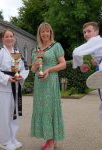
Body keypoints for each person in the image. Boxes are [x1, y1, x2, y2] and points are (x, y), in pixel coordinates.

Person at [72, 21, 102, 150]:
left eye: (89, 31)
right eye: (84, 32)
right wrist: (95, 62)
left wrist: (80, 64)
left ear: (96, 32)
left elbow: (76, 52)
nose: (86, 34)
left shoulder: (96, 41)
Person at [0, 28, 29, 150]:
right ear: (2, 39)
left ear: (14, 38)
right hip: (3, 88)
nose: (9, 38)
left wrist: (21, 76)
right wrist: (7, 78)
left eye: (11, 36)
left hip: (15, 87)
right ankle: (5, 141)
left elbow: (25, 67)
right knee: (4, 114)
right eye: (6, 36)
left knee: (14, 114)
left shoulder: (17, 52)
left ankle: (13, 138)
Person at [31, 22, 66, 150]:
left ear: (50, 32)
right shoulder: (36, 49)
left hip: (50, 81)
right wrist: (34, 66)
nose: (45, 33)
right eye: (42, 31)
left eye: (47, 31)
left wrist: (49, 70)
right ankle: (49, 139)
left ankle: (51, 143)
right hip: (39, 83)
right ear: (39, 34)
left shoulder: (56, 46)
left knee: (49, 109)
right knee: (42, 110)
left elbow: (63, 64)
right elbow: (33, 70)